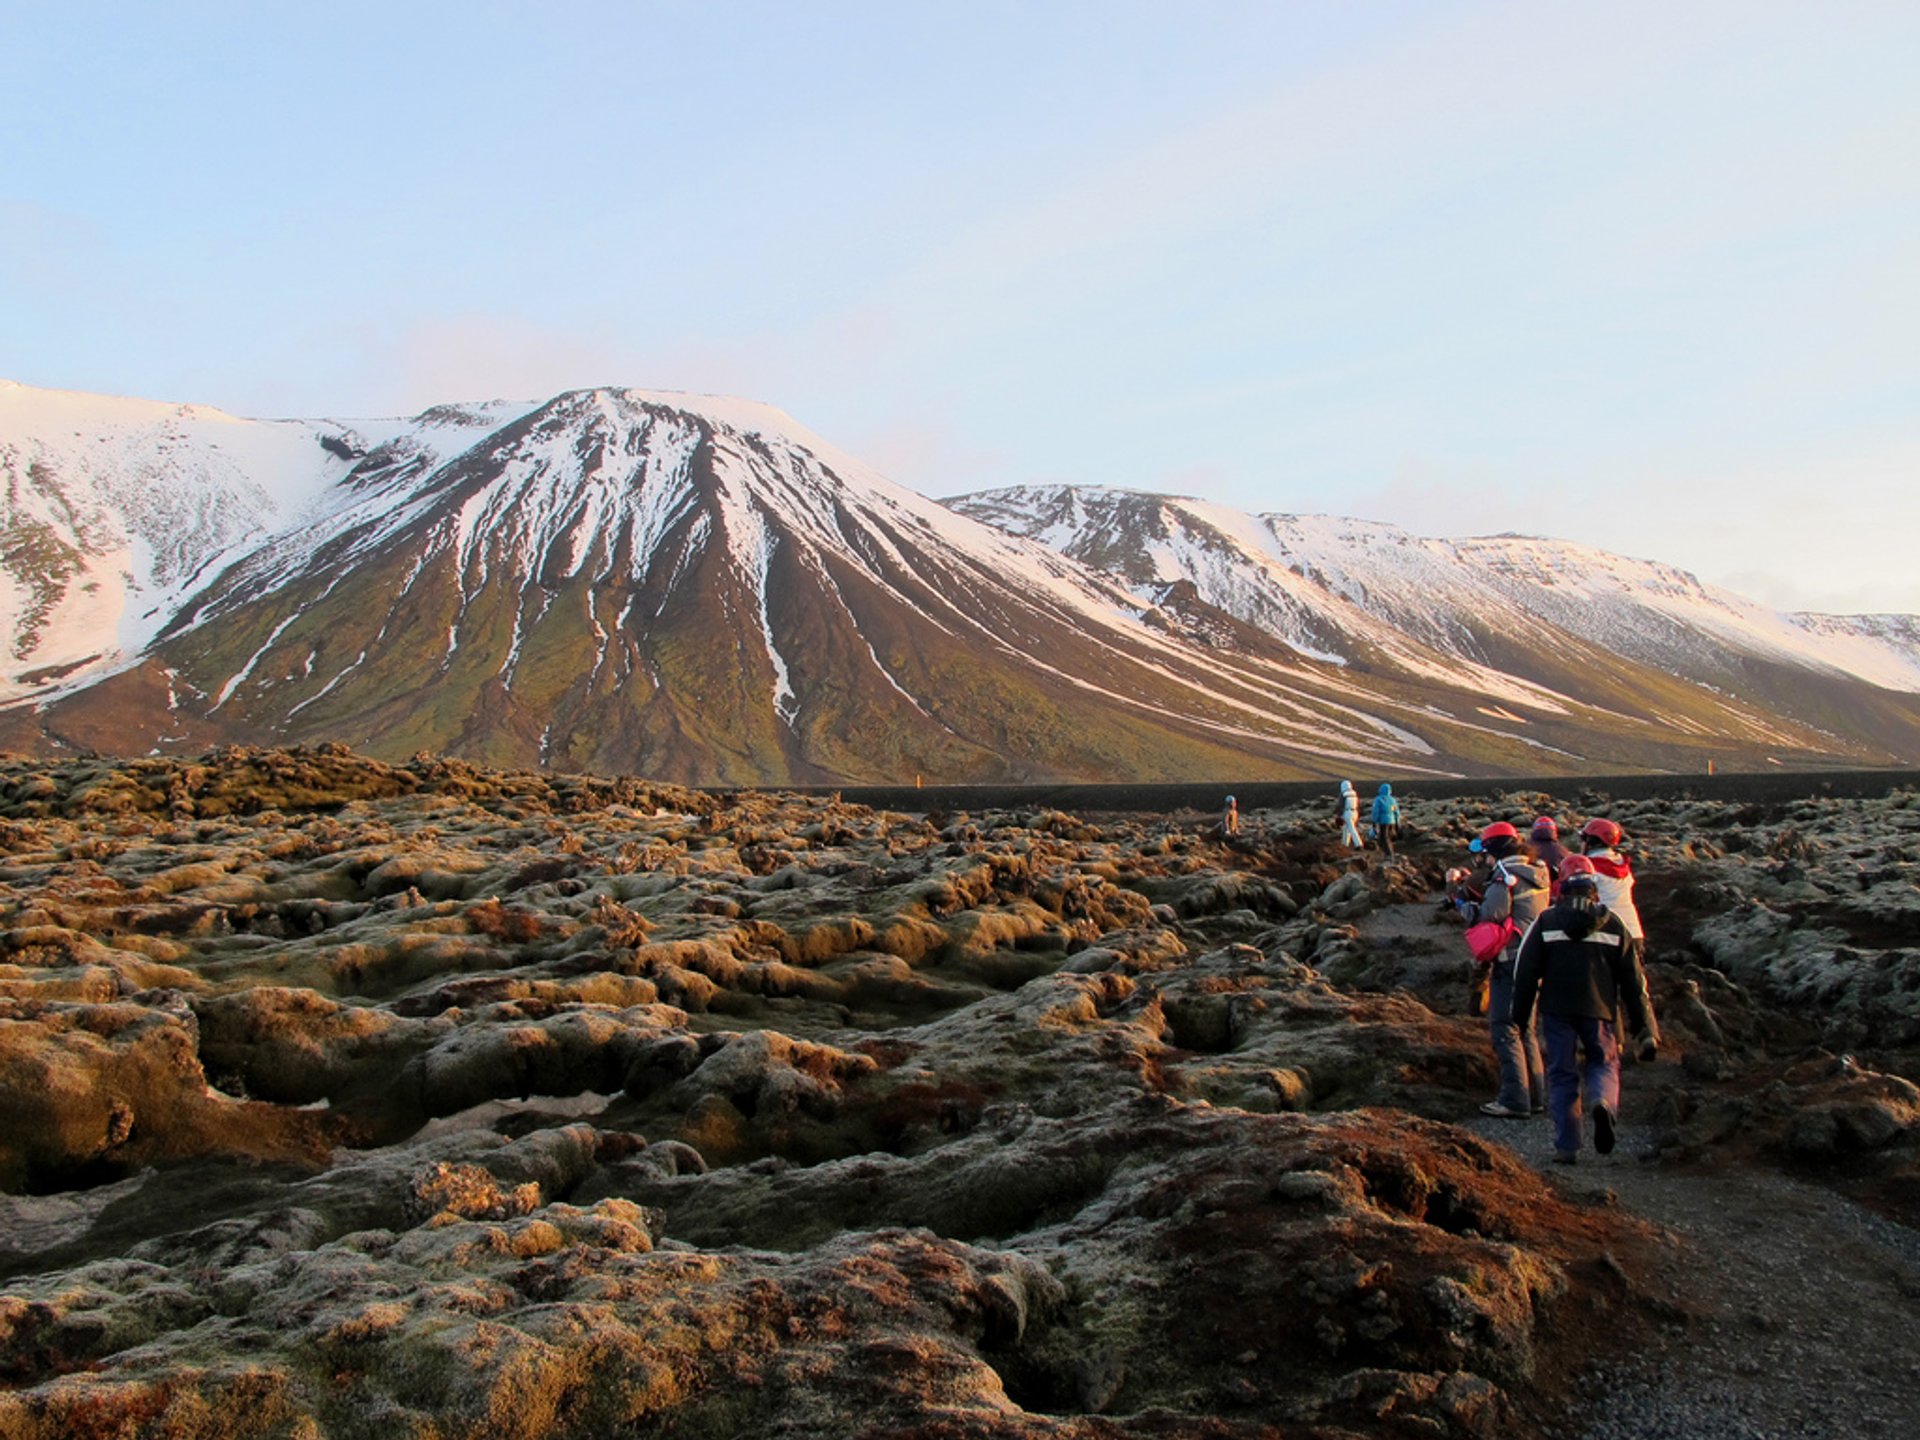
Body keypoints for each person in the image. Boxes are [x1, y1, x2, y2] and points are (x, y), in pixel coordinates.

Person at [1510, 854, 1661, 1164]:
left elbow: (1525, 972)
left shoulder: (1547, 922)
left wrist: (1520, 1015)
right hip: (1601, 1010)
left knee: (1562, 1074)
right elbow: (1634, 980)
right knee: (1603, 1063)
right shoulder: (1614, 925)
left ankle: (1567, 1147)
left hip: (1557, 1010)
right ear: (1594, 888)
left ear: (1562, 887)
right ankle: (1603, 1102)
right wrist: (1643, 1024)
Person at [1457, 821, 1551, 1118]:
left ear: (1494, 850)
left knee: (1505, 1028)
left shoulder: (1505, 879)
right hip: (1536, 958)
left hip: (1510, 958)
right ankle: (1536, 1095)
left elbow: (1490, 916)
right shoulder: (1539, 874)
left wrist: (1461, 902)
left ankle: (1514, 1098)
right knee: (1527, 1029)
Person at [1528, 816, 1571, 887]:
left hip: (1533, 887)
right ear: (1554, 831)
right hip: (1556, 888)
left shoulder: (1526, 847)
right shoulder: (1562, 850)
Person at [1370, 783, 1401, 855]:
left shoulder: (1379, 799)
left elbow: (1376, 811)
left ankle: (1389, 854)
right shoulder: (1393, 800)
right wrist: (1397, 822)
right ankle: (1388, 852)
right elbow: (1396, 812)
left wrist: (1374, 821)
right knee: (1389, 837)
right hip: (1392, 821)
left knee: (1384, 838)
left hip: (1384, 821)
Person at [1337, 781, 1362, 848]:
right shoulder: (1354, 793)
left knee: (1351, 828)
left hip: (1347, 812)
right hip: (1355, 812)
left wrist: (1339, 814)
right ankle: (1345, 844)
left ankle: (1358, 843)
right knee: (1347, 828)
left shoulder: (1343, 794)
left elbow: (1340, 805)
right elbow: (1359, 804)